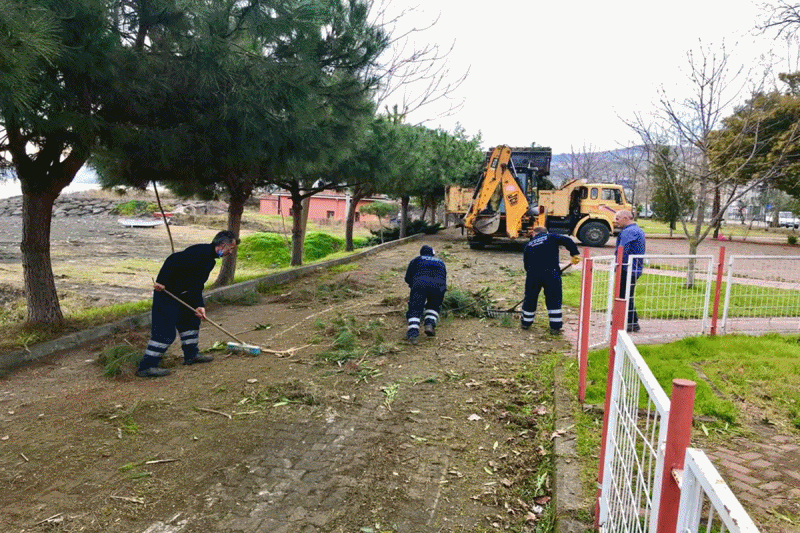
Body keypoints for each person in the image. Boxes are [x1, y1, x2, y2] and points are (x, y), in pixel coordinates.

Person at [136, 230, 240, 377]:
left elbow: (197, 285)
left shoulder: (210, 260)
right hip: (167, 294)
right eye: (231, 248)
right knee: (165, 332)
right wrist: (161, 281)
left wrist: (199, 305)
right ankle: (147, 366)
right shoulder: (199, 252)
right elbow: (173, 260)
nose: (230, 252)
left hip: (184, 295)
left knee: (190, 322)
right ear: (223, 245)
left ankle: (191, 355)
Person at [521, 227, 581, 335]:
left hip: (533, 275)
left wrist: (532, 272)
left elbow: (526, 264)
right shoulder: (551, 236)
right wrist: (574, 253)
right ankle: (555, 327)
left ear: (534, 233)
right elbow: (568, 240)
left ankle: (526, 322)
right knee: (554, 298)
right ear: (545, 232)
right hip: (551, 274)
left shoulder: (529, 245)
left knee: (530, 297)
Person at [404, 245, 447, 344]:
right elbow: (444, 277)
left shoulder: (416, 260)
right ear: (433, 253)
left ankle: (413, 333)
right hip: (439, 286)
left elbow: (407, 277)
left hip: (420, 285)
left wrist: (413, 284)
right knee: (433, 305)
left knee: (415, 308)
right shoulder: (440, 261)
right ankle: (430, 324)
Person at [614, 210, 646, 332]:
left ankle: (631, 322)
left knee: (624, 295)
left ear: (625, 218)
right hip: (633, 268)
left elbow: (622, 250)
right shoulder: (637, 230)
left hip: (627, 268)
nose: (616, 221)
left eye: (618, 219)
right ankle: (624, 318)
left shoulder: (628, 232)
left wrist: (618, 264)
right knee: (626, 294)